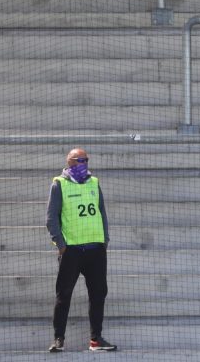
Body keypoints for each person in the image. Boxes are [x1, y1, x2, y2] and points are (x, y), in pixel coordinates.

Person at [45, 147, 117, 352]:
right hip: (72, 250)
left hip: (95, 249)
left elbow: (101, 212)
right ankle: (58, 339)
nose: (83, 163)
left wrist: (105, 241)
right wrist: (61, 245)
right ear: (70, 162)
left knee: (98, 294)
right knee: (63, 295)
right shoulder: (59, 184)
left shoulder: (94, 182)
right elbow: (51, 219)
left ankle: (96, 339)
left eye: (86, 160)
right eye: (79, 160)